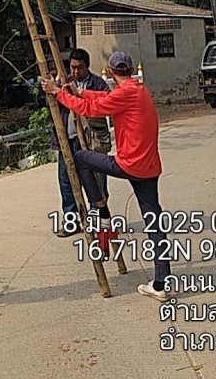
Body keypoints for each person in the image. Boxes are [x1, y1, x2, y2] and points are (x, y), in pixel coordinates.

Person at [42, 50, 171, 301]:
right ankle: (160, 282)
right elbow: (106, 97)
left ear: (110, 72)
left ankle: (100, 207)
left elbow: (91, 109)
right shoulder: (138, 89)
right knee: (154, 222)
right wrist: (80, 92)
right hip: (149, 167)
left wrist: (58, 93)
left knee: (81, 158)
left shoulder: (123, 94)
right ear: (132, 70)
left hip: (129, 164)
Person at [51, 48, 111, 238]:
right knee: (66, 181)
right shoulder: (62, 82)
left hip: (92, 141)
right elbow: (49, 103)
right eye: (73, 67)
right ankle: (71, 221)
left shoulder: (98, 84)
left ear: (87, 66)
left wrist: (81, 96)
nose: (76, 71)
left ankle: (97, 220)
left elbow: (106, 105)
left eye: (80, 67)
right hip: (67, 140)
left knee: (97, 182)